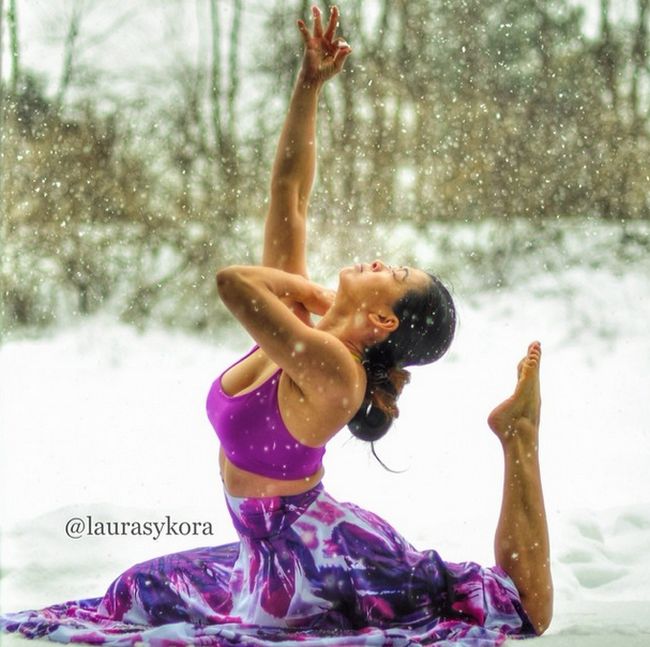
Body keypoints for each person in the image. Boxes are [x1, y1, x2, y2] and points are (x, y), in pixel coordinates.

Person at [0, 5, 552, 645]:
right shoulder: (298, 333)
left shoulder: (336, 373)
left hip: (320, 564)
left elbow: (233, 283)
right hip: (257, 556)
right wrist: (309, 85)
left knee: (515, 611)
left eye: (392, 272)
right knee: (130, 592)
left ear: (379, 318)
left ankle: (518, 436)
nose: (379, 258)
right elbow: (288, 194)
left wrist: (312, 292)